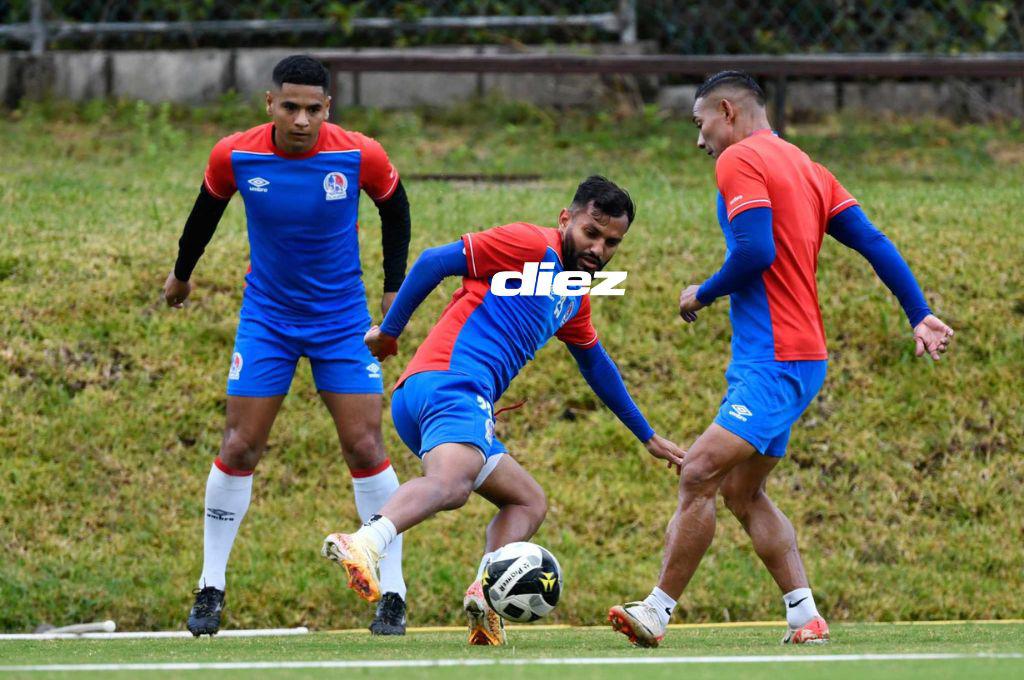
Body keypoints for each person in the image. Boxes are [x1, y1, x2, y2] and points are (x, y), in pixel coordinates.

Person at [608, 71, 954, 647]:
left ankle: (656, 611)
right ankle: (805, 615)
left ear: (727, 111)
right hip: (791, 357)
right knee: (743, 493)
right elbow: (872, 240)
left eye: (701, 125)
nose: (701, 142)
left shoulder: (739, 160)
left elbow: (754, 250)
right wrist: (917, 311)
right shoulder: (808, 166)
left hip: (777, 357)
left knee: (698, 472)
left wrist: (702, 292)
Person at [320, 176, 686, 645]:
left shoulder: (574, 291)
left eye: (612, 242)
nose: (599, 248)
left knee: (527, 500)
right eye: (591, 233)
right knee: (451, 486)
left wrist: (647, 436)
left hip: (441, 397)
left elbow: (595, 363)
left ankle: (484, 597)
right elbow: (435, 261)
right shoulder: (530, 244)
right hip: (452, 385)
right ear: (565, 220)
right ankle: (366, 542)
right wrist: (390, 332)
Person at [163, 55, 413, 636]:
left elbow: (395, 210)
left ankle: (393, 594)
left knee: (364, 445)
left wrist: (393, 298)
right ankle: (210, 586)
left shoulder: (359, 154)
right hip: (267, 321)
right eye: (291, 106)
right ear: (269, 104)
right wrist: (182, 273)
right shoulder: (235, 154)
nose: (302, 119)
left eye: (314, 109)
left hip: (342, 321)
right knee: (241, 445)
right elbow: (206, 210)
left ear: (329, 109)